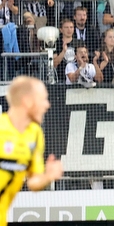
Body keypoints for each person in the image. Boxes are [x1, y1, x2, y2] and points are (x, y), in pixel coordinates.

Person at [0, 76, 63, 223]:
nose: (47, 105)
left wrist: (48, 176)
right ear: (27, 101)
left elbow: (33, 182)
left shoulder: (35, 135)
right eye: (42, 99)